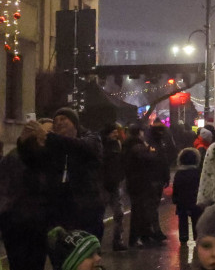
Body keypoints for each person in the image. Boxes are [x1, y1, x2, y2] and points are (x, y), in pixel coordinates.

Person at [0, 118, 54, 270]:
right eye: (42, 138)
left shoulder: (20, 158)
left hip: (25, 226)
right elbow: (2, 194)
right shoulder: (23, 160)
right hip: (24, 226)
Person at [48, 107, 107, 238]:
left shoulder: (91, 138)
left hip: (87, 207)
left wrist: (51, 137)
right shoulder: (54, 145)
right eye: (55, 121)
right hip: (62, 210)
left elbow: (82, 147)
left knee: (87, 252)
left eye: (63, 119)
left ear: (74, 122)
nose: (59, 123)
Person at [123, 124, 161, 247]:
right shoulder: (138, 146)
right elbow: (150, 159)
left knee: (139, 210)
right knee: (140, 211)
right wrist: (150, 151)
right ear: (139, 132)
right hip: (141, 182)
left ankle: (141, 237)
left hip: (134, 182)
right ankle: (137, 238)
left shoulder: (127, 145)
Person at [99, 123, 127, 251]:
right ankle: (96, 242)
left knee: (119, 214)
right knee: (99, 215)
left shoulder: (117, 145)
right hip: (104, 184)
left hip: (114, 184)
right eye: (113, 132)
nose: (116, 134)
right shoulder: (101, 146)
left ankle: (117, 240)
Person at [172, 147, 202, 243]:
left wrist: (175, 198)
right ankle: (197, 235)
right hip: (195, 200)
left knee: (182, 219)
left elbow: (176, 186)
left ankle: (183, 236)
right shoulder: (198, 172)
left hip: (182, 201)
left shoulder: (179, 173)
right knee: (196, 218)